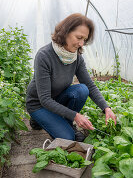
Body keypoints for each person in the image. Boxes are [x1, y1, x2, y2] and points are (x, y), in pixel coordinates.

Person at [26, 13, 116, 142]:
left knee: (82, 90)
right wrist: (76, 116)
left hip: (57, 99)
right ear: (65, 32)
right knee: (68, 137)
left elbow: (90, 85)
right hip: (39, 104)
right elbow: (45, 99)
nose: (81, 43)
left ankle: (65, 122)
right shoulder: (44, 56)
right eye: (79, 37)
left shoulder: (76, 58)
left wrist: (106, 108)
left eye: (84, 39)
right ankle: (37, 119)